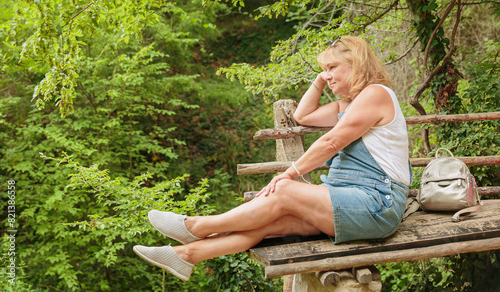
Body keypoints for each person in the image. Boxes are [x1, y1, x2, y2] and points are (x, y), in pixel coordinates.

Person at [133, 36, 412, 281]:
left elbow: (331, 141)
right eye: (324, 69)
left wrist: (289, 173)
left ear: (358, 64)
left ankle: (196, 226)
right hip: (349, 200)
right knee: (268, 224)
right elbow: (302, 116)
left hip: (378, 203)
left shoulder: (376, 94)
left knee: (284, 190)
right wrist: (321, 76)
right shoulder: (347, 104)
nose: (326, 75)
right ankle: (187, 254)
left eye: (332, 68)